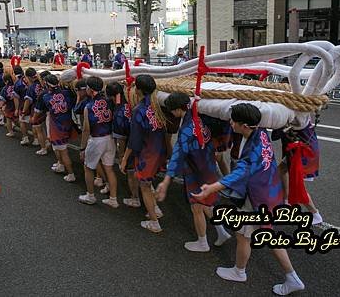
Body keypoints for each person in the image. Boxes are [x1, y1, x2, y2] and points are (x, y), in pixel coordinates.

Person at [192, 103, 304, 295]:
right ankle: (291, 277)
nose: (230, 123)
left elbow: (240, 172)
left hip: (258, 199)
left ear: (244, 125)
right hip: (270, 192)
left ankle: (239, 271)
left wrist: (211, 188)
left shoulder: (253, 149)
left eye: (233, 121)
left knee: (244, 236)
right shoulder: (260, 133)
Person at [156, 93, 232, 252]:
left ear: (177, 109)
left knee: (196, 206)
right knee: (205, 202)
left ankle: (202, 242)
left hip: (196, 171)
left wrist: (166, 180)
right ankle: (221, 231)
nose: (171, 113)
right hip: (208, 166)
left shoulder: (186, 130)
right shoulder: (199, 117)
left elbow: (177, 155)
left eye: (172, 110)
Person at [121, 75, 168, 233]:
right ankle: (155, 209)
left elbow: (134, 141)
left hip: (146, 154)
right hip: (158, 151)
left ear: (138, 89)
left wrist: (124, 159)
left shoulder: (138, 110)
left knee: (145, 186)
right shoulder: (156, 106)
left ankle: (154, 222)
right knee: (149, 182)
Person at [78, 77, 118, 207]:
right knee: (109, 169)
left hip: (96, 139)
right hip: (110, 138)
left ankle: (90, 196)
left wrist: (82, 148)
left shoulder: (88, 107)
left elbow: (86, 130)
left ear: (89, 89)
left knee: (88, 168)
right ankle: (113, 199)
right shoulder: (109, 101)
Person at [36, 74, 77, 182]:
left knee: (63, 151)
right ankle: (61, 164)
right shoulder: (67, 92)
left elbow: (39, 110)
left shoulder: (45, 96)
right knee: (59, 147)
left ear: (46, 84)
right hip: (68, 121)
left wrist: (33, 118)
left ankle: (71, 174)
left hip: (57, 125)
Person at [106, 82, 139, 207]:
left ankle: (135, 198)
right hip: (145, 143)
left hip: (131, 145)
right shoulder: (132, 101)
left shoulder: (119, 111)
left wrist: (121, 157)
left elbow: (121, 139)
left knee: (131, 173)